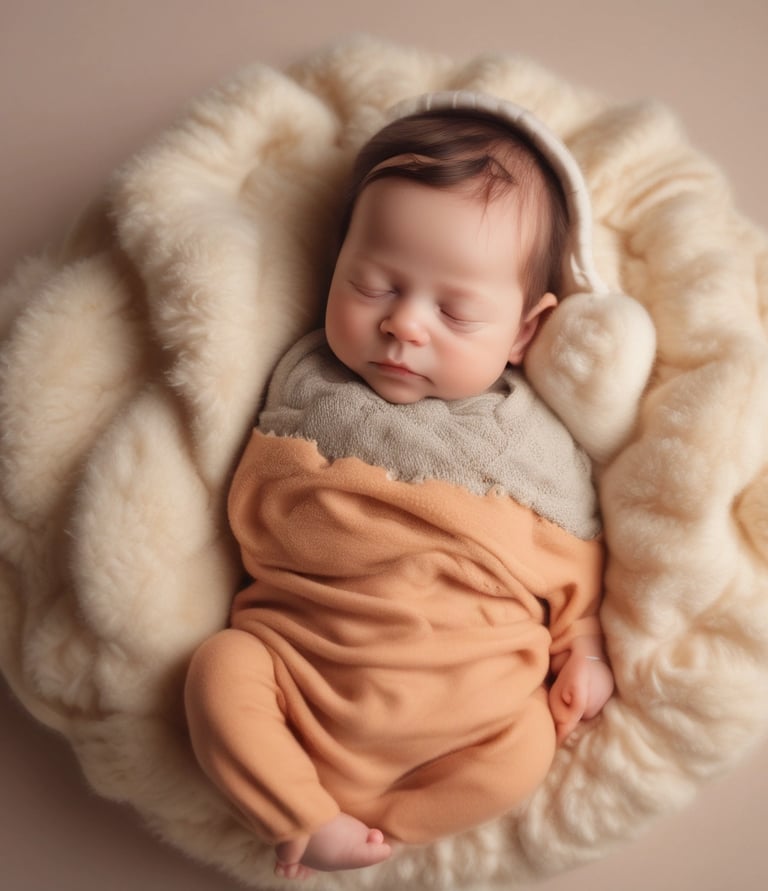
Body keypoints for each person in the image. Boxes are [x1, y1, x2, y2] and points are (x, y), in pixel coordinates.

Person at [184, 93, 615, 880]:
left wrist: (580, 646)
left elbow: (574, 563)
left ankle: (392, 829)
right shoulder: (303, 385)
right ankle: (297, 811)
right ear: (335, 263)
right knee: (218, 669)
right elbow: (253, 509)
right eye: (375, 284)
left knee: (526, 747)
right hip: (300, 670)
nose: (405, 325)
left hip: (472, 707)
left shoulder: (533, 444)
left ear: (524, 331)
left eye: (455, 310)